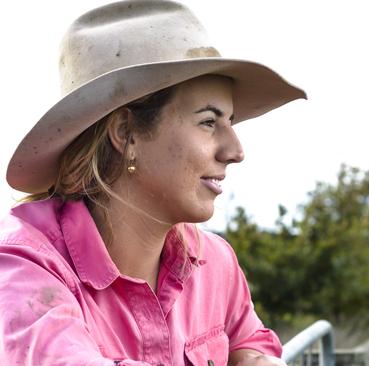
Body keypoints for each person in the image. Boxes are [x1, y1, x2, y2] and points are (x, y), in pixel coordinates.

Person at [0, 1, 306, 365]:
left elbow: (248, 341)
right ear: (126, 132)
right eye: (209, 122)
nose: (235, 151)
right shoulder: (25, 269)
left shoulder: (214, 263)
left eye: (231, 122)